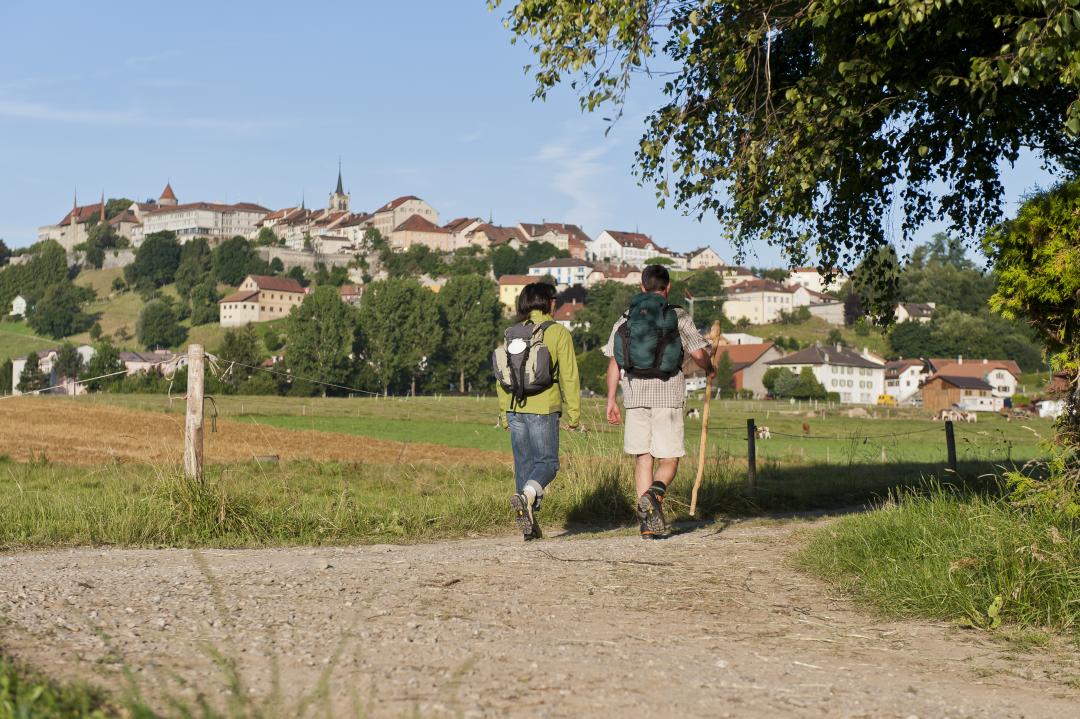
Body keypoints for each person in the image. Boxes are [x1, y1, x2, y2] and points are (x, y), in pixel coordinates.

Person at [603, 264, 714, 539]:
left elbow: (615, 363)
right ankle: (654, 494)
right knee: (670, 458)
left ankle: (646, 524)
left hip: (634, 395)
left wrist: (610, 400)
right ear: (668, 287)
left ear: (642, 287)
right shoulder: (677, 315)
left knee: (643, 458)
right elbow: (698, 354)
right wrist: (710, 368)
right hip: (668, 394)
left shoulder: (625, 318)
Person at [496, 282, 581, 540]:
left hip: (514, 408)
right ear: (549, 303)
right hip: (543, 408)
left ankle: (529, 527)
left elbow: (502, 375)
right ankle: (526, 498)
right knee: (548, 464)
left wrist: (504, 411)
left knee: (524, 465)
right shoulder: (558, 333)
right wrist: (574, 413)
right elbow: (569, 377)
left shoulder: (512, 333)